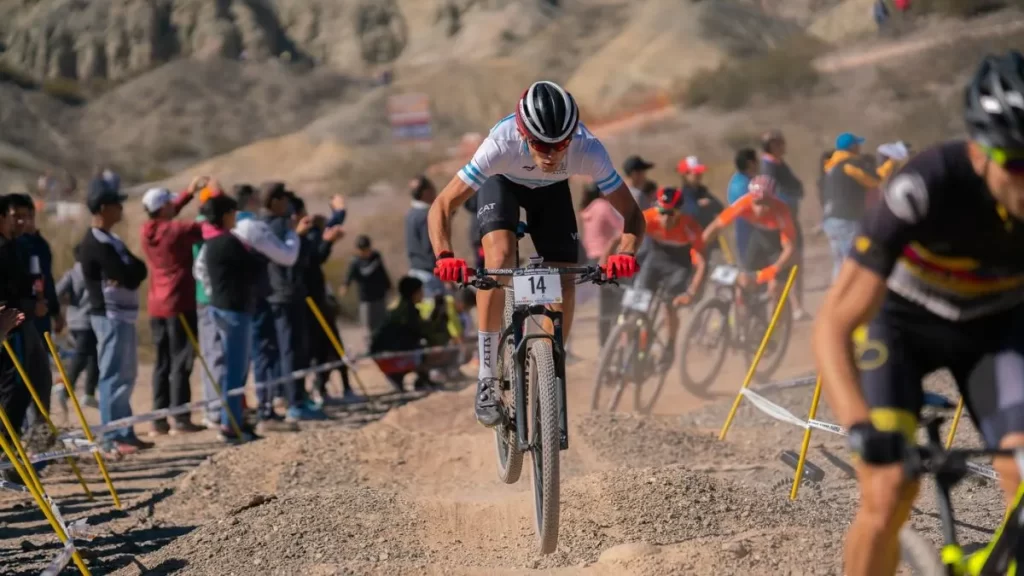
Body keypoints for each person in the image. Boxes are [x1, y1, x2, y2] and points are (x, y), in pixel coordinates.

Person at [814, 50, 1024, 576]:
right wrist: (858, 427)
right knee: (887, 490)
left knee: (1021, 471)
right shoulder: (924, 186)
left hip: (995, 332)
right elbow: (833, 325)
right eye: (1017, 164)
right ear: (979, 150)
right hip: (903, 328)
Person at [427, 80, 645, 426]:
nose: (551, 154)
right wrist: (444, 256)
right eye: (541, 144)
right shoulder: (500, 144)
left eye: (560, 145)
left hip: (552, 192)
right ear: (523, 134)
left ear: (572, 137)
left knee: (565, 281)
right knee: (499, 262)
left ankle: (550, 368)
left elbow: (632, 214)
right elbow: (442, 204)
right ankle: (487, 377)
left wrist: (627, 252)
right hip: (502, 184)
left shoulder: (588, 147)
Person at [78, 177, 151, 456]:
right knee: (113, 376)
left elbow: (138, 269)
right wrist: (126, 273)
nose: (121, 209)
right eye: (116, 204)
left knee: (127, 375)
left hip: (124, 315)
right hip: (108, 316)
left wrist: (127, 273)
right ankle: (112, 437)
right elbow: (124, 274)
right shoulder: (94, 243)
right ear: (103, 208)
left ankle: (125, 431)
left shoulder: (112, 240)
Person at [608, 187, 707, 369]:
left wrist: (691, 292)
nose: (665, 218)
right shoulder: (649, 217)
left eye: (671, 213)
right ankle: (627, 347)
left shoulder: (690, 227)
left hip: (679, 265)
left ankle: (670, 346)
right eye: (662, 212)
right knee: (635, 303)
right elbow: (618, 238)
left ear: (680, 212)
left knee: (669, 304)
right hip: (655, 260)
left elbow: (701, 264)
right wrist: (605, 263)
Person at [140, 180, 206, 436]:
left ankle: (159, 420)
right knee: (182, 361)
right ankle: (180, 417)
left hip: (157, 304)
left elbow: (169, 214)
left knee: (162, 362)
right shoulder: (177, 230)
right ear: (163, 207)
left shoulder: (148, 230)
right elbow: (209, 227)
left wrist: (189, 194)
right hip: (180, 302)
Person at [200, 193, 262, 443]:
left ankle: (233, 421)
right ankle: (230, 425)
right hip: (234, 310)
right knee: (236, 371)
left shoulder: (211, 243)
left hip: (221, 307)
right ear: (226, 215)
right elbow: (254, 267)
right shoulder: (228, 242)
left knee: (232, 370)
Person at [262, 185, 323, 423]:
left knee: (294, 349)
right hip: (284, 294)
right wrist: (302, 235)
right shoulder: (278, 226)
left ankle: (297, 397)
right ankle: (294, 402)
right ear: (276, 201)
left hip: (285, 293)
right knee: (291, 350)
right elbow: (295, 259)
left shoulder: (270, 225)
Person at [702, 175, 797, 317]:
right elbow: (716, 226)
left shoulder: (781, 211)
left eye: (766, 203)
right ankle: (745, 319)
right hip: (758, 241)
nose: (761, 208)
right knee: (744, 283)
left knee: (775, 288)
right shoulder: (744, 203)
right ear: (751, 198)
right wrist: (697, 249)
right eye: (757, 202)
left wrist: (774, 269)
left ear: (773, 199)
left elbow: (789, 248)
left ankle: (777, 324)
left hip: (778, 247)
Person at [292, 193, 346, 406]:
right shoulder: (291, 238)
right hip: (307, 300)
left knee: (327, 346)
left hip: (319, 297)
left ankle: (321, 387)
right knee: (310, 349)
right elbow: (315, 259)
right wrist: (328, 243)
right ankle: (307, 392)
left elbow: (325, 232)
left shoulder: (306, 234)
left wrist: (339, 212)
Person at [820, 133, 898, 280]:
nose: (860, 148)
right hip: (845, 220)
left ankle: (838, 291)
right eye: (858, 145)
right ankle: (848, 292)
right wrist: (892, 161)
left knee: (840, 263)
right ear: (852, 147)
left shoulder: (831, 166)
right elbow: (874, 180)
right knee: (852, 263)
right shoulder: (848, 165)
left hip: (830, 220)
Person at [760, 130, 811, 320]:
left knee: (795, 263)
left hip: (789, 220)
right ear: (772, 145)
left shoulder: (779, 164)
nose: (784, 145)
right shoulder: (769, 167)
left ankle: (795, 307)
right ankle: (789, 309)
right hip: (782, 223)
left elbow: (798, 187)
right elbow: (775, 194)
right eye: (780, 143)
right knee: (788, 263)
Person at [8, 194, 61, 339]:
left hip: (41, 310)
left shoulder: (40, 244)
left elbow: (46, 279)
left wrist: (55, 311)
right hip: (23, 313)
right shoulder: (14, 245)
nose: (23, 221)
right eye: (17, 217)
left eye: (27, 216)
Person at [579, 182, 624, 346]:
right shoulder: (603, 206)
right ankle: (619, 341)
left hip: (591, 259)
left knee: (604, 304)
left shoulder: (586, 210)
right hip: (606, 258)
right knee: (619, 298)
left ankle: (604, 345)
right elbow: (622, 228)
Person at [55, 249, 99, 409]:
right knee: (82, 355)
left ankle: (89, 393)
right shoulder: (95, 271)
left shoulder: (71, 273)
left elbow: (56, 292)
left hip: (74, 320)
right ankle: (66, 388)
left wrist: (68, 301)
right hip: (89, 320)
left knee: (93, 355)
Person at [343, 234, 393, 346]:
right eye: (362, 250)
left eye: (366, 249)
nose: (365, 252)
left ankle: (384, 345)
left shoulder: (376, 257)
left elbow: (383, 273)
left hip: (379, 296)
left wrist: (389, 286)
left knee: (382, 324)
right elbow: (349, 275)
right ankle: (371, 347)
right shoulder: (355, 262)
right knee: (368, 327)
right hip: (365, 299)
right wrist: (345, 286)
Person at [406, 176, 445, 298]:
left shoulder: (411, 214)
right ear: (425, 192)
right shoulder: (425, 216)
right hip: (429, 276)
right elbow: (431, 247)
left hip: (416, 271)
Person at [727, 149, 759, 269]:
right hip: (749, 233)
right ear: (750, 163)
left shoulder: (737, 180)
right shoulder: (744, 185)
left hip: (744, 232)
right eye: (756, 161)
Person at [678, 156, 724, 230]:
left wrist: (707, 204)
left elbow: (719, 207)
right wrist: (699, 205)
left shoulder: (702, 190)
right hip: (694, 233)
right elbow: (692, 212)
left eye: (699, 172)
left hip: (708, 231)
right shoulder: (683, 194)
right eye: (696, 173)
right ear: (686, 175)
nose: (699, 175)